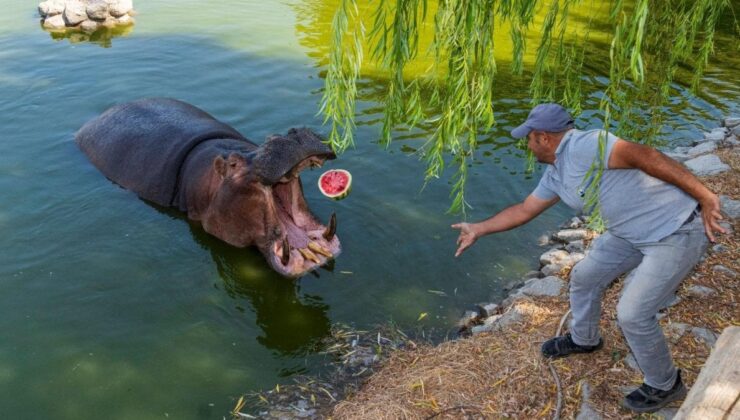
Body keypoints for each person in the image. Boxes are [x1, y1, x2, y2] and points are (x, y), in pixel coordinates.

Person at [451, 103, 726, 413]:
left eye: (528, 137)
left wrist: (705, 196)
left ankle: (666, 384)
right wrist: (479, 228)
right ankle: (585, 339)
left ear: (544, 137)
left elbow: (648, 156)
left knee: (633, 313)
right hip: (629, 234)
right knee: (584, 277)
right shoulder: (556, 171)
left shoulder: (585, 145)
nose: (526, 144)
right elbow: (525, 210)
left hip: (675, 232)